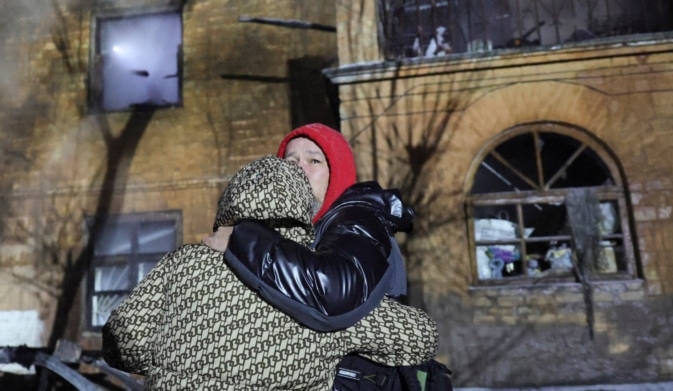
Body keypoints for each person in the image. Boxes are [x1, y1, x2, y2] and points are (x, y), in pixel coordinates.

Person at [103, 156, 437, 391]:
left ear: (230, 201)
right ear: (301, 205)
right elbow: (420, 338)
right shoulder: (310, 280)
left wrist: (178, 358)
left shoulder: (182, 263)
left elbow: (125, 339)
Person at [203, 123, 411, 331]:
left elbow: (332, 294)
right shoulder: (304, 231)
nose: (300, 169)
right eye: (291, 162)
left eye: (314, 161)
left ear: (337, 174)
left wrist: (243, 239)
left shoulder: (358, 217)